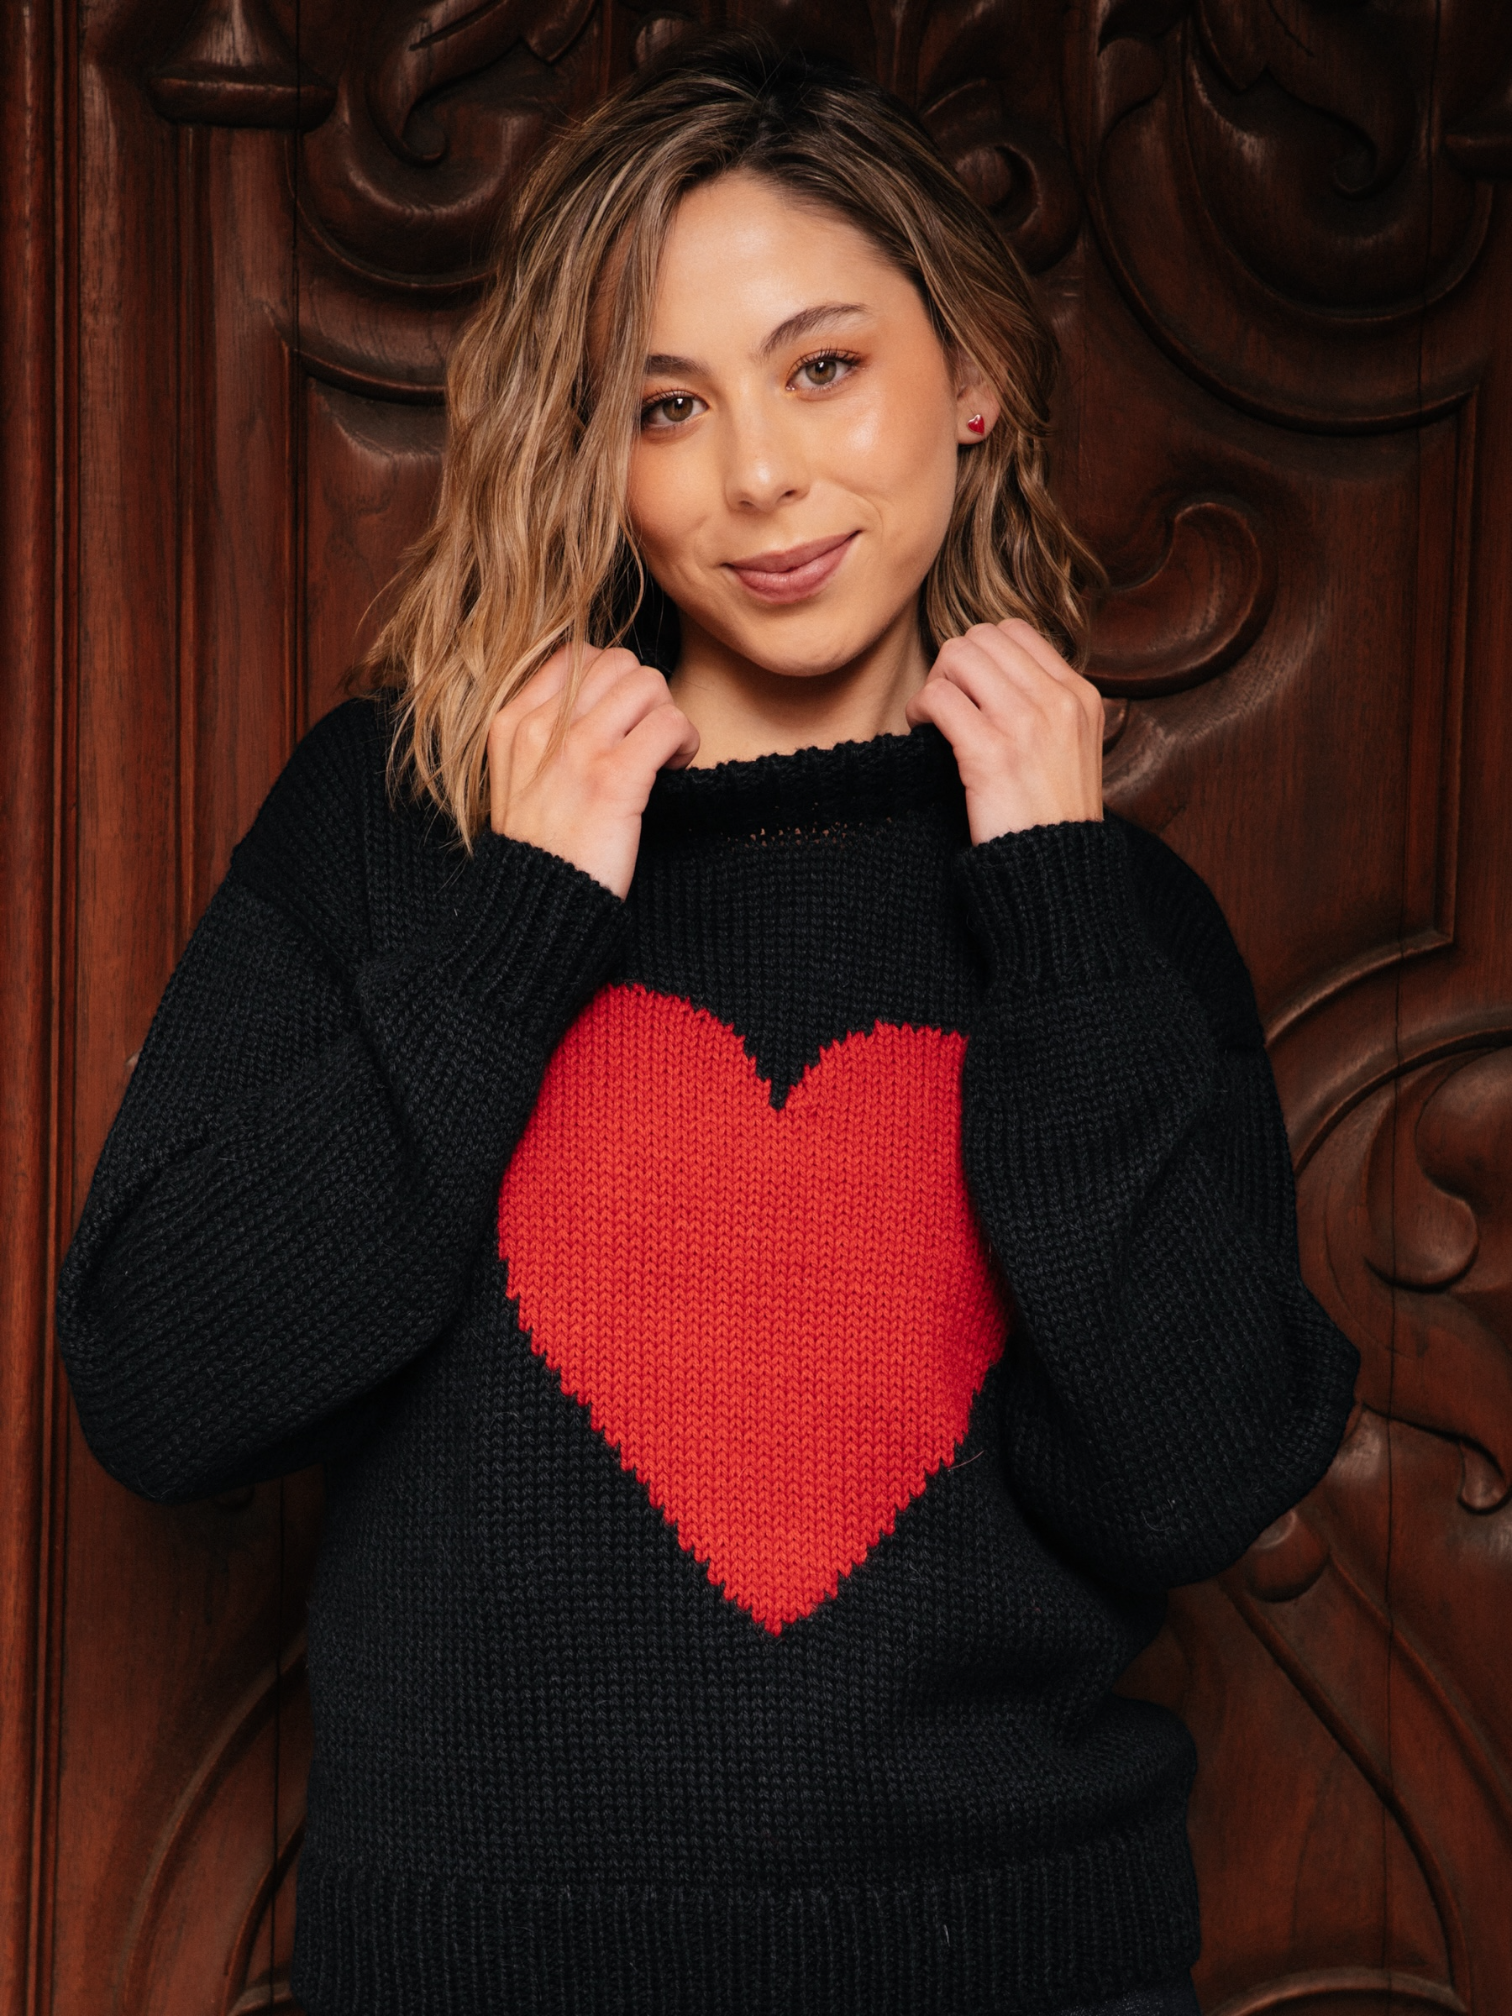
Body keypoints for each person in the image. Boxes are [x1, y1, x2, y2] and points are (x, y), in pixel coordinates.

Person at [57, 35, 1358, 2016]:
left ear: (974, 379)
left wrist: (1060, 925)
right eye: (668, 405)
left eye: (824, 365)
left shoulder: (1105, 914)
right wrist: (524, 921)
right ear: (603, 452)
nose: (757, 471)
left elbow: (1187, 1479)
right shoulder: (409, 827)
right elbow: (160, 1388)